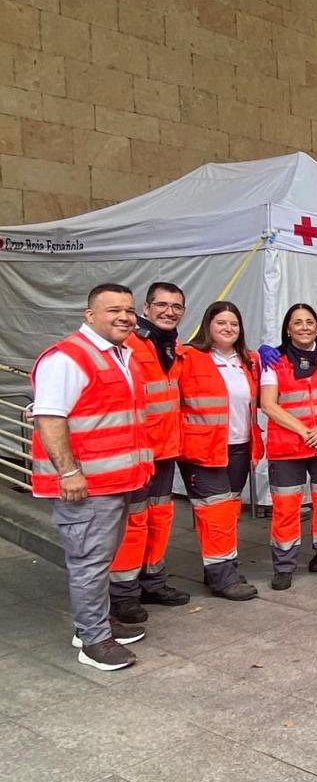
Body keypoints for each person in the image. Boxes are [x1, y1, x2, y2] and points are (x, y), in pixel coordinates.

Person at [30, 284, 154, 671]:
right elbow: (50, 417)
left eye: (129, 310)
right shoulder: (67, 358)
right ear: (90, 315)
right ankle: (93, 640)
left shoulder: (122, 355)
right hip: (84, 486)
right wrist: (68, 472)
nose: (124, 317)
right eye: (113, 309)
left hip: (117, 482)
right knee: (89, 562)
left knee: (100, 560)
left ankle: (94, 623)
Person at [109, 282, 190, 625]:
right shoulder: (126, 346)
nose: (169, 311)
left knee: (160, 518)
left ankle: (153, 581)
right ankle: (123, 593)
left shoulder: (174, 347)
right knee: (133, 522)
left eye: (176, 306)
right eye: (162, 304)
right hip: (135, 452)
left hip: (164, 450)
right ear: (146, 308)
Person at [259, 303, 317, 590]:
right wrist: (304, 431)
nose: (304, 327)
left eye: (309, 322)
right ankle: (284, 565)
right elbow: (268, 403)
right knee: (286, 508)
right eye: (297, 322)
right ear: (288, 329)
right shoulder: (274, 361)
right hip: (288, 446)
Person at [175, 302, 262, 601]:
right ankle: (224, 578)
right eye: (221, 323)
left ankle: (218, 566)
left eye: (233, 324)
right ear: (207, 326)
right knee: (216, 512)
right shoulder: (188, 357)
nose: (228, 328)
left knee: (228, 511)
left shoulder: (248, 361)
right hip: (202, 449)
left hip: (238, 447)